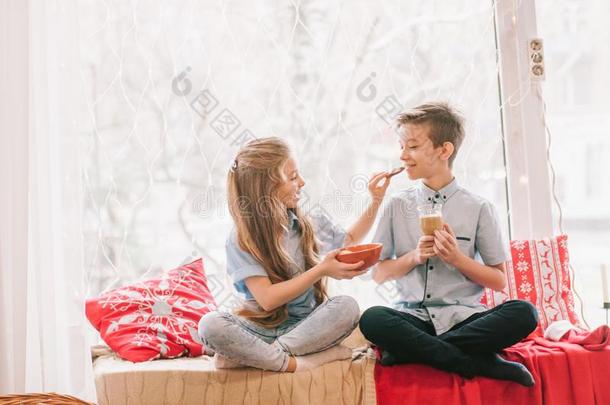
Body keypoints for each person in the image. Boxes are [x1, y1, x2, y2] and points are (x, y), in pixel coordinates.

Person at [359, 102, 539, 386]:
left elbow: (499, 281)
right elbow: (378, 274)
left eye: (413, 147)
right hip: (412, 318)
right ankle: (478, 362)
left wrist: (457, 259)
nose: (403, 155)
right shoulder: (396, 205)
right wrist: (414, 256)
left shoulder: (479, 208)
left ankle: (412, 351)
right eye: (401, 146)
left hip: (465, 319)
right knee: (372, 318)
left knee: (525, 313)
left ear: (444, 151)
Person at [199, 137, 393, 372]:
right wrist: (321, 269)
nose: (302, 182)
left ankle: (258, 356)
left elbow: (348, 240)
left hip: (305, 326)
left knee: (347, 306)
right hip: (259, 328)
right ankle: (302, 361)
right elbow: (268, 299)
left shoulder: (307, 222)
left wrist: (376, 200)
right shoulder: (242, 238)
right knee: (210, 324)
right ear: (266, 188)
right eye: (292, 177)